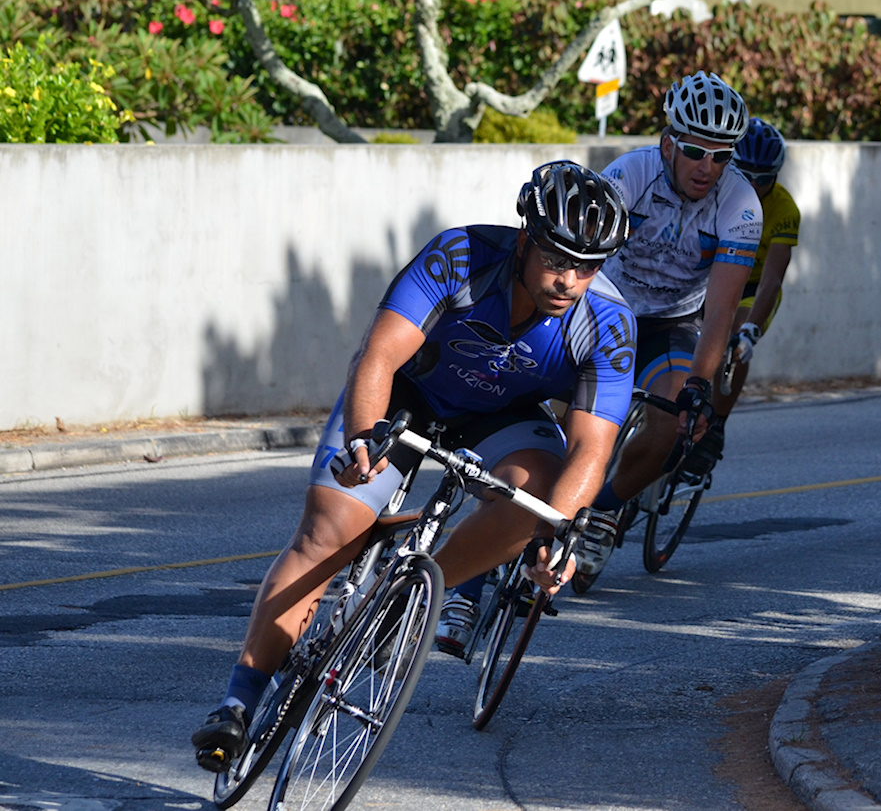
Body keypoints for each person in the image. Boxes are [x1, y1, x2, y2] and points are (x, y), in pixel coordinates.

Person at [190, 161, 635, 772]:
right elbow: (378, 356)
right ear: (527, 238)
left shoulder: (609, 323)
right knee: (329, 534)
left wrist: (559, 533)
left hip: (503, 414)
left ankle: (412, 602)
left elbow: (591, 447)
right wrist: (363, 441)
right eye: (559, 259)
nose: (571, 280)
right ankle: (238, 703)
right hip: (406, 397)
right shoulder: (461, 255)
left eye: (589, 267)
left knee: (536, 498)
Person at [571, 71, 762, 580]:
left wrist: (700, 385)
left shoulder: (742, 204)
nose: (708, 167)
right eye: (697, 151)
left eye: (721, 156)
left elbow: (721, 310)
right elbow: (583, 260)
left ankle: (605, 511)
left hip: (673, 321)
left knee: (675, 422)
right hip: (604, 306)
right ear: (668, 143)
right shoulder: (630, 175)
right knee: (562, 417)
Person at [694, 117, 800, 463]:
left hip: (753, 287)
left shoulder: (784, 209)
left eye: (764, 180)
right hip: (713, 276)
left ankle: (716, 426)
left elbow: (772, 278)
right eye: (746, 175)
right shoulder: (712, 192)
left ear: (777, 176)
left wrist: (751, 331)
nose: (753, 187)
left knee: (734, 337)